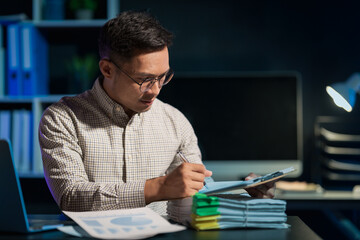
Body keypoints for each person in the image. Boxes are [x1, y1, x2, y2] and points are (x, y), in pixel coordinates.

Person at [39, 10, 275, 215]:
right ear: (107, 69)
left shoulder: (175, 121)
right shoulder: (62, 118)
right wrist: (158, 188)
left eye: (163, 77)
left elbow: (194, 199)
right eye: (144, 80)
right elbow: (70, 196)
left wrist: (247, 198)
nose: (155, 90)